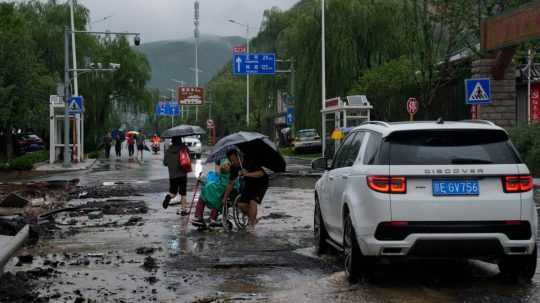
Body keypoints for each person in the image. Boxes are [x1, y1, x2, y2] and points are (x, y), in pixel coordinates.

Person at [222, 149, 269, 230]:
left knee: (252, 201)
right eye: (231, 160)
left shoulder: (250, 161)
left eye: (234, 160)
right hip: (249, 184)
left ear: (239, 157)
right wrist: (225, 198)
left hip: (261, 183)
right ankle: (253, 219)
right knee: (241, 205)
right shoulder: (234, 167)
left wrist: (246, 174)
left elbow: (261, 173)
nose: (233, 162)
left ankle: (251, 225)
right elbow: (230, 183)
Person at [192, 159, 239, 228]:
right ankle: (208, 218)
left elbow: (223, 177)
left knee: (207, 191)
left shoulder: (233, 167)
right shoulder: (226, 164)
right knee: (209, 189)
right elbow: (218, 174)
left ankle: (201, 216)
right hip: (221, 187)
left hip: (225, 188)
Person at [162, 136, 190, 216]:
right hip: (182, 174)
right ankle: (184, 210)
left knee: (173, 192)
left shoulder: (168, 150)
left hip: (173, 175)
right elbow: (188, 158)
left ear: (172, 141)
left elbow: (165, 163)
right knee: (183, 193)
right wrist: (185, 147)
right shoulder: (183, 149)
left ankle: (168, 197)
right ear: (180, 140)